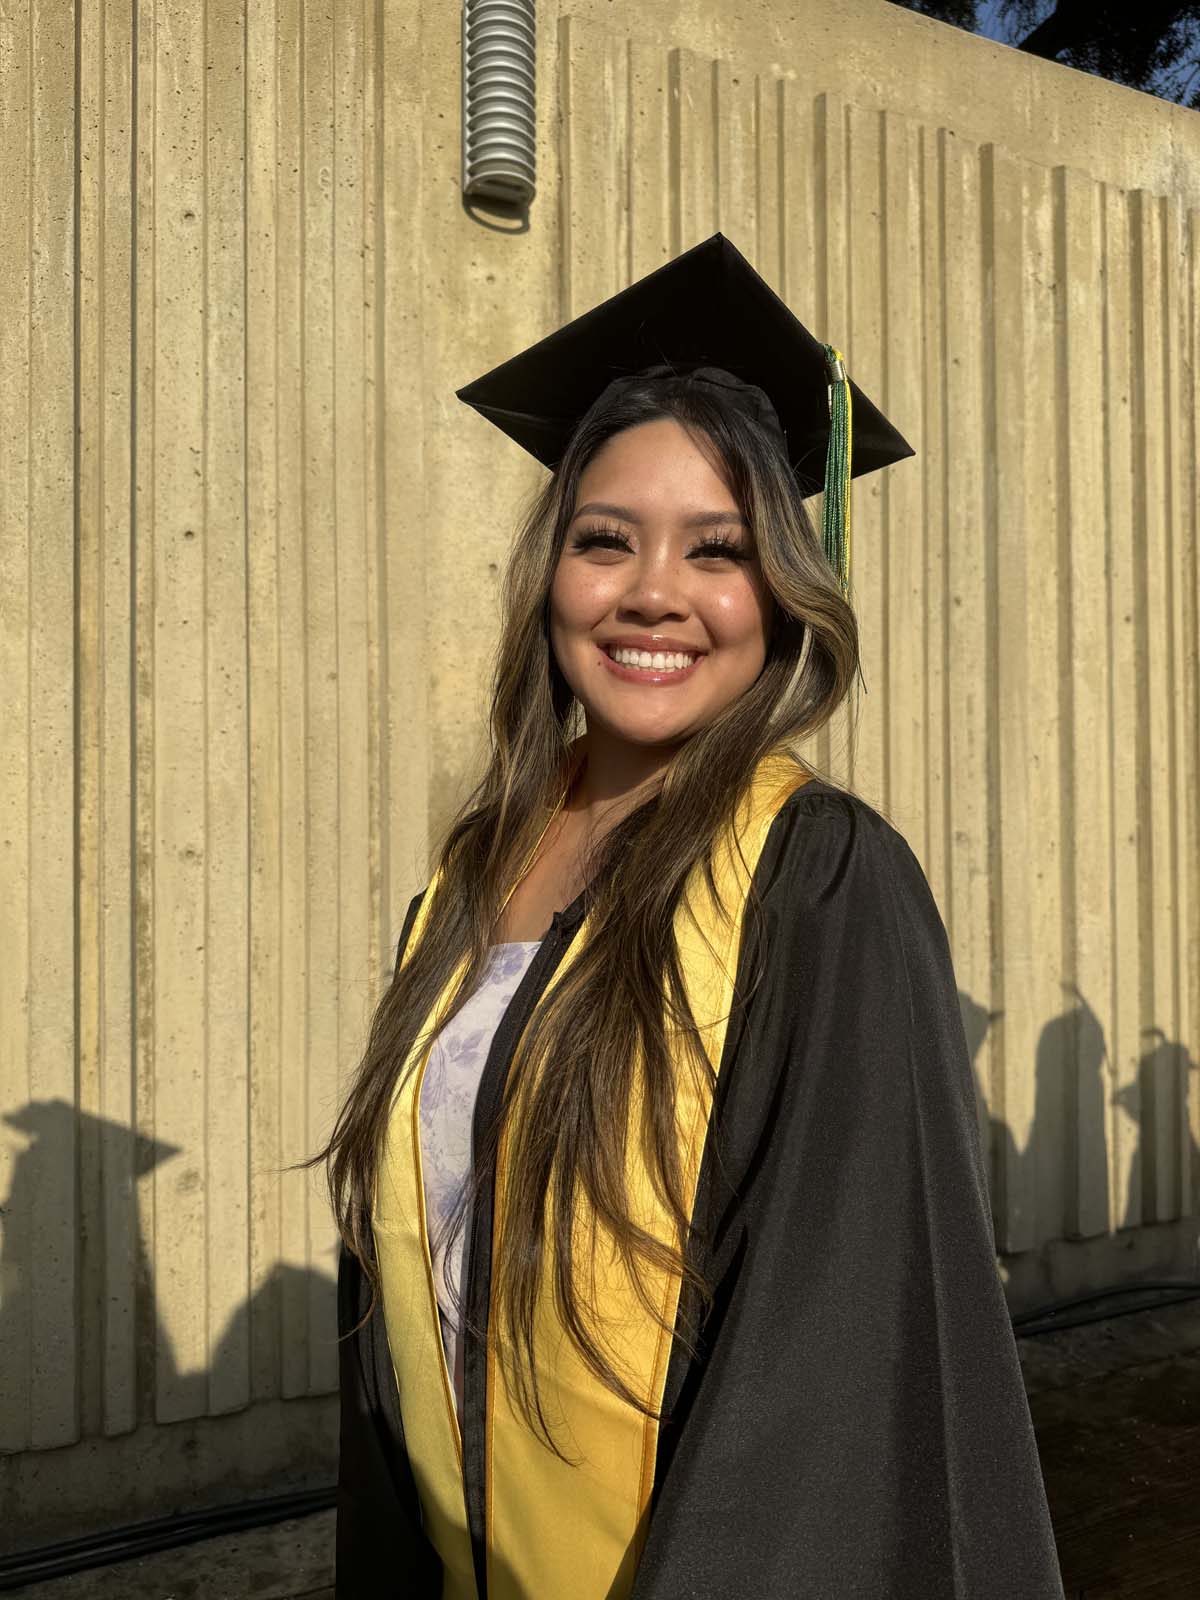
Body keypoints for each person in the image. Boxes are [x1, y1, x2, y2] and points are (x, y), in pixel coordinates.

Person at [326, 234, 1064, 1599]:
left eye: (716, 551)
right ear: (552, 575)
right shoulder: (465, 883)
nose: (652, 590)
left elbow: (839, 1370)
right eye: (605, 540)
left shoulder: (816, 881)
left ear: (781, 594)